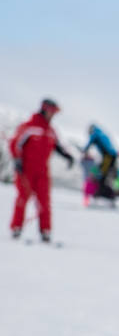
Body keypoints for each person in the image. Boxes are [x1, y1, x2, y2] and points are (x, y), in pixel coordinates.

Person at [8, 98, 73, 241]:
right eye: (51, 112)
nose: (53, 115)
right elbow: (15, 144)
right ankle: (16, 228)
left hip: (43, 171)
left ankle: (45, 232)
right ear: (44, 110)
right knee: (23, 198)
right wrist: (17, 160)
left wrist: (68, 156)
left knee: (44, 201)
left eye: (54, 113)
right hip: (26, 170)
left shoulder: (51, 130)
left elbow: (58, 147)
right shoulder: (29, 126)